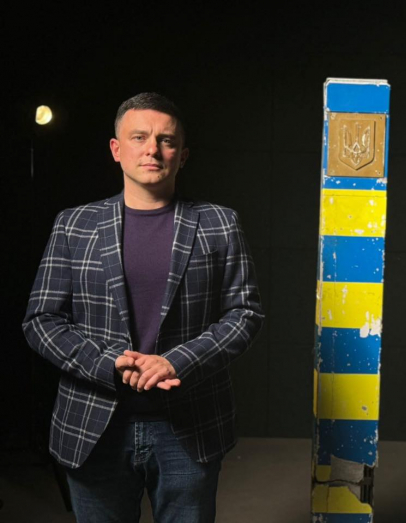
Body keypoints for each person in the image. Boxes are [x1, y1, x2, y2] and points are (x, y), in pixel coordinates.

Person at [23, 92, 263, 522]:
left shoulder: (220, 223)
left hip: (189, 426)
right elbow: (42, 320)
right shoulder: (74, 224)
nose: (152, 149)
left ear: (182, 155)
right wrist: (108, 364)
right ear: (117, 149)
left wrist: (176, 362)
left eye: (166, 140)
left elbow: (244, 314)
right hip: (92, 425)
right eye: (139, 137)